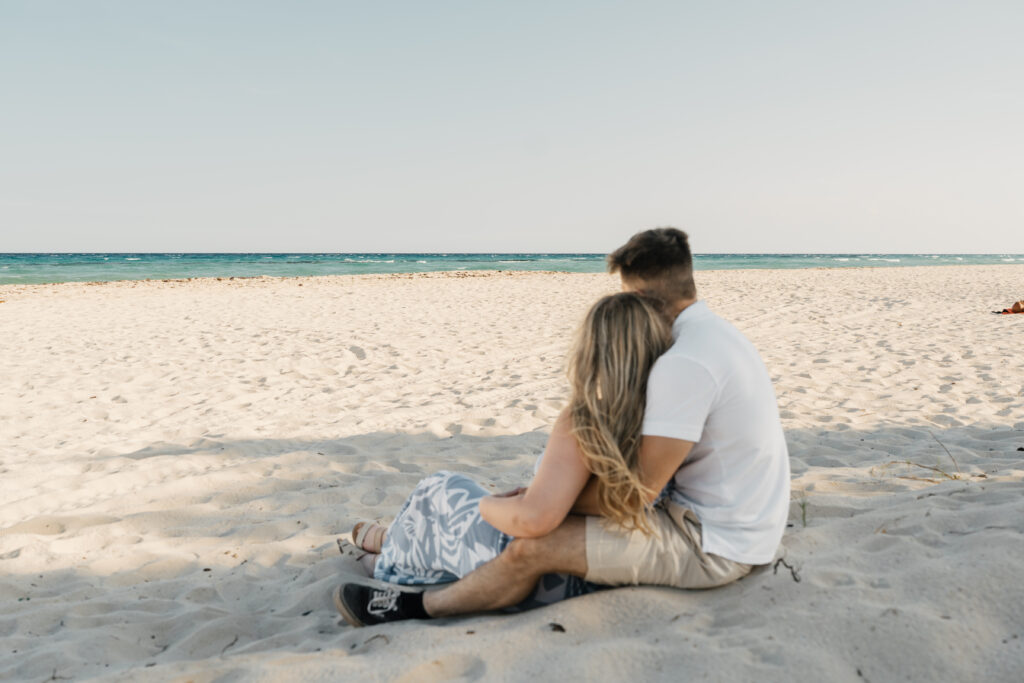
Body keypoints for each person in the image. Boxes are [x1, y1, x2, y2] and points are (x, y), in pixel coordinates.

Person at [334, 227, 791, 626]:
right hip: (738, 523)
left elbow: (636, 495)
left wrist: (540, 503)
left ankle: (419, 607)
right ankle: (389, 543)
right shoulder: (717, 335)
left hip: (712, 542)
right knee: (520, 518)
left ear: (640, 301)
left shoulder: (685, 364)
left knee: (528, 545)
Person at [334, 291, 674, 626]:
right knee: (460, 506)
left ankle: (382, 558)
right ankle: (387, 542)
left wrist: (488, 505)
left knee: (442, 488)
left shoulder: (588, 419)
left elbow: (534, 520)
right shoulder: (671, 425)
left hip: (533, 572)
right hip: (600, 570)